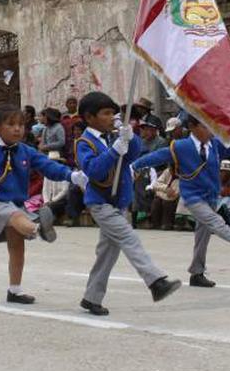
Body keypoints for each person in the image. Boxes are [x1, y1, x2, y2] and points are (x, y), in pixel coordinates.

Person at [0, 105, 87, 304]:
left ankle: (14, 290)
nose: (18, 129)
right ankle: (39, 227)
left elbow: (47, 165)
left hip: (16, 203)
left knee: (17, 247)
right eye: (11, 124)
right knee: (17, 218)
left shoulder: (26, 151)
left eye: (21, 125)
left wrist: (71, 175)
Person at [133, 112, 230, 288]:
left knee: (202, 237)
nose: (210, 130)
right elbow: (158, 156)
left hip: (211, 196)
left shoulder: (215, 145)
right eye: (205, 126)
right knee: (215, 222)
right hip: (193, 197)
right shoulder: (181, 146)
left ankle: (197, 272)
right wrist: (134, 165)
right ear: (192, 127)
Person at [74, 91, 181, 316]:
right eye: (105, 113)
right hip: (101, 202)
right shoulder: (84, 142)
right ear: (89, 117)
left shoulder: (112, 136)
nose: (111, 117)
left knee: (107, 254)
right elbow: (93, 169)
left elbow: (132, 156)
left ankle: (91, 297)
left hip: (118, 201)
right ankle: (155, 281)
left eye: (113, 113)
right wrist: (113, 152)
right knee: (128, 237)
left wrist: (130, 138)